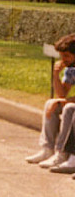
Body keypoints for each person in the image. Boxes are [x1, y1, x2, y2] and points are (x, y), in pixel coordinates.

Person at [26, 33, 75, 172]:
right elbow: (62, 93)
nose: (63, 60)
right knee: (50, 104)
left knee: (69, 107)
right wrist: (56, 75)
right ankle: (47, 149)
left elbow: (65, 99)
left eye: (66, 56)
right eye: (61, 56)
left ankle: (62, 152)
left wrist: (64, 101)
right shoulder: (71, 68)